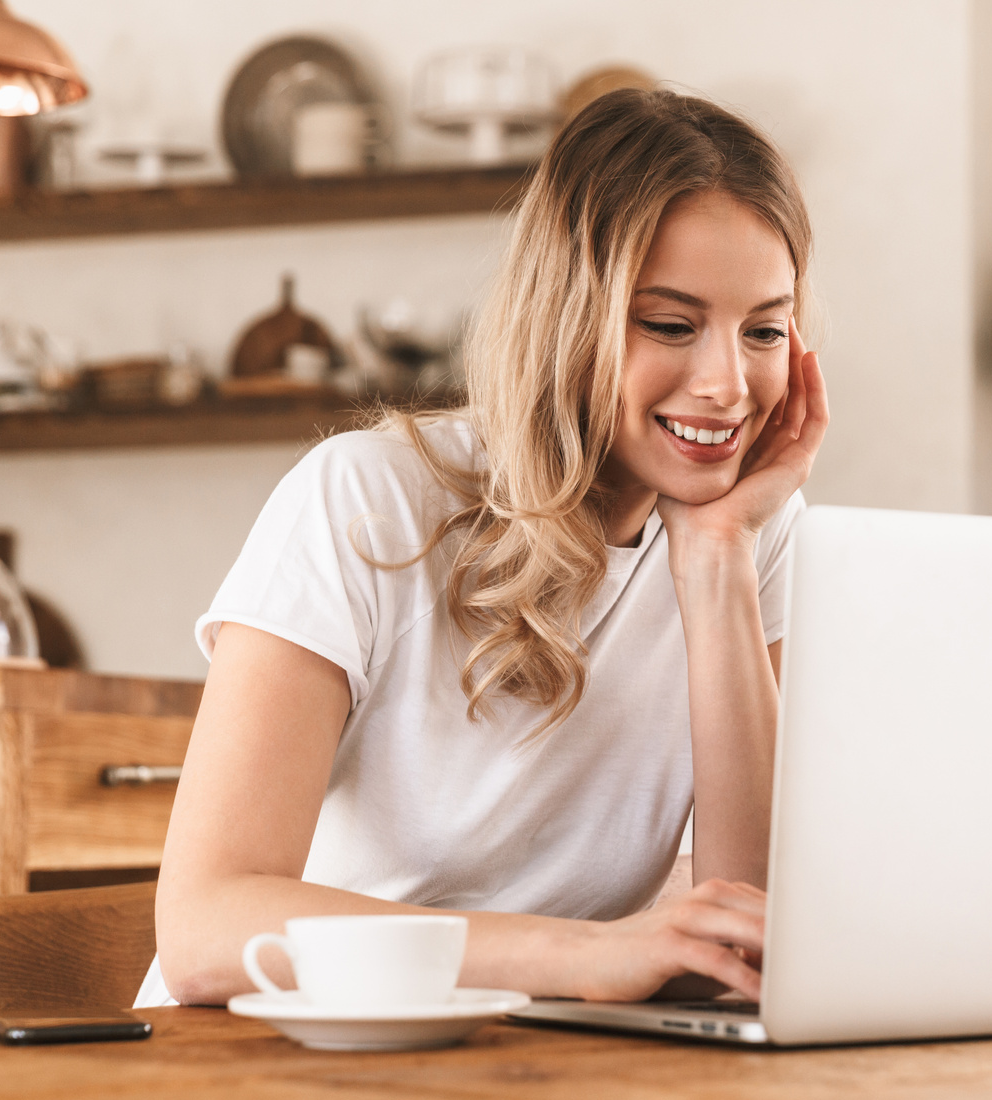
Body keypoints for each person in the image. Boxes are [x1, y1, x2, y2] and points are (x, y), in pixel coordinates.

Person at [135, 88, 829, 1009]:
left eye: (765, 331)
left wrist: (714, 562)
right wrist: (585, 958)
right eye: (669, 323)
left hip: (522, 1073)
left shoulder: (745, 534)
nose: (727, 384)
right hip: (270, 1061)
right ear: (567, 316)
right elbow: (204, 930)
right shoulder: (367, 498)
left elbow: (753, 942)